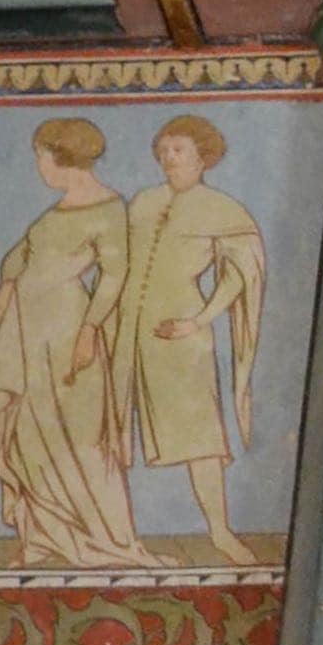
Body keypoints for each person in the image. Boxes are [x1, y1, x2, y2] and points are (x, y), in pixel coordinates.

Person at [0, 116, 139, 567]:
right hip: (27, 329)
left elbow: (115, 274)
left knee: (78, 434)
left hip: (67, 327)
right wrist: (6, 285)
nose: (39, 167)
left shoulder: (108, 208)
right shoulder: (57, 211)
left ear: (61, 157)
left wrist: (89, 331)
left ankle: (101, 536)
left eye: (41, 157)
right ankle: (44, 539)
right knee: (28, 431)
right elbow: (22, 253)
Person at [121, 114, 266, 565]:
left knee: (201, 437)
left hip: (179, 332)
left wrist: (200, 320)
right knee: (111, 425)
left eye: (178, 150)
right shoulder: (143, 202)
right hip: (125, 329)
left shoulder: (222, 209)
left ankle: (221, 532)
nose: (168, 158)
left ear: (204, 157)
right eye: (162, 150)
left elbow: (241, 275)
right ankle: (116, 535)